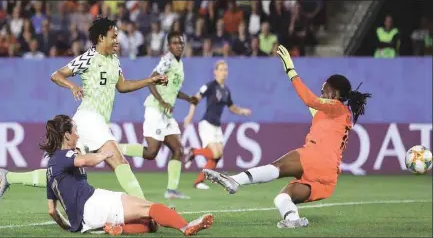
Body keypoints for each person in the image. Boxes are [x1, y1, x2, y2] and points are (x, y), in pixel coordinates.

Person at [0, 17, 168, 206]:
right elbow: (56, 75)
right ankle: (148, 208)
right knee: (119, 161)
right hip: (89, 117)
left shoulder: (114, 60)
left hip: (90, 122)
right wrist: (72, 86)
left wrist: (150, 81)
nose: (117, 40)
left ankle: (8, 177)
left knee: (62, 171)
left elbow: (123, 86)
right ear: (101, 38)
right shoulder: (89, 58)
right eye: (113, 36)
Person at [203, 45, 371, 228]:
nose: (322, 94)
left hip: (317, 158)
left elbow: (310, 100)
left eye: (324, 90)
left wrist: (291, 71)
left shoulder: (336, 106)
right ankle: (293, 219)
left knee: (277, 166)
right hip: (328, 178)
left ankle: (235, 180)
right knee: (282, 197)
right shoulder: (339, 114)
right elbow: (312, 104)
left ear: (334, 93)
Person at [42, 115, 213, 235]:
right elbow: (85, 161)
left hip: (86, 219)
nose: (78, 134)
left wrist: (71, 226)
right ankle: (186, 227)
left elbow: (52, 211)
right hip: (94, 203)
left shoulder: (51, 166)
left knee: (152, 224)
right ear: (66, 135)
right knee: (150, 208)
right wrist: (103, 154)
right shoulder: (65, 156)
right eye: (75, 130)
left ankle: (118, 229)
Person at [118, 31, 198, 199]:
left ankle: (171, 190)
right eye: (175, 43)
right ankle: (117, 148)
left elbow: (173, 89)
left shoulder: (179, 63)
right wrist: (161, 101)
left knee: (178, 149)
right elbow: (151, 80)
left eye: (181, 43)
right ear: (169, 45)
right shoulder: (167, 60)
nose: (179, 46)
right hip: (155, 110)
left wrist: (188, 98)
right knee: (151, 153)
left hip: (166, 113)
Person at [182, 60, 252, 190]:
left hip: (216, 126)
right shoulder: (210, 86)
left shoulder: (226, 91)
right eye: (221, 69)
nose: (223, 72)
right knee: (215, 154)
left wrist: (242, 111)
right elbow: (195, 99)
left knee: (218, 156)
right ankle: (193, 151)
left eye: (225, 70)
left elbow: (232, 107)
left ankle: (198, 182)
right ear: (215, 72)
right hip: (207, 123)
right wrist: (190, 116)